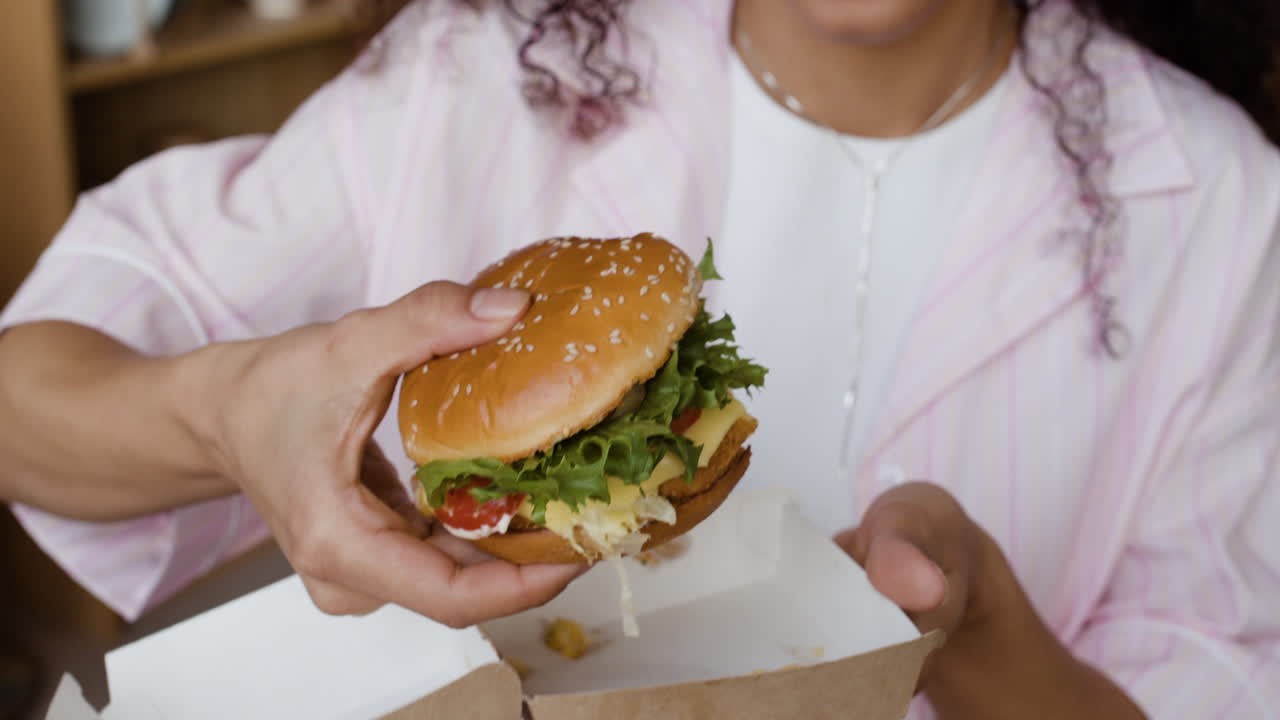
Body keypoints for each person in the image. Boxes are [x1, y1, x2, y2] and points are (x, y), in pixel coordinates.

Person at [0, 0, 1276, 716]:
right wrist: (225, 413)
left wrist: (983, 623)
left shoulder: (1220, 204)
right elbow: (24, 397)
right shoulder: (479, 67)